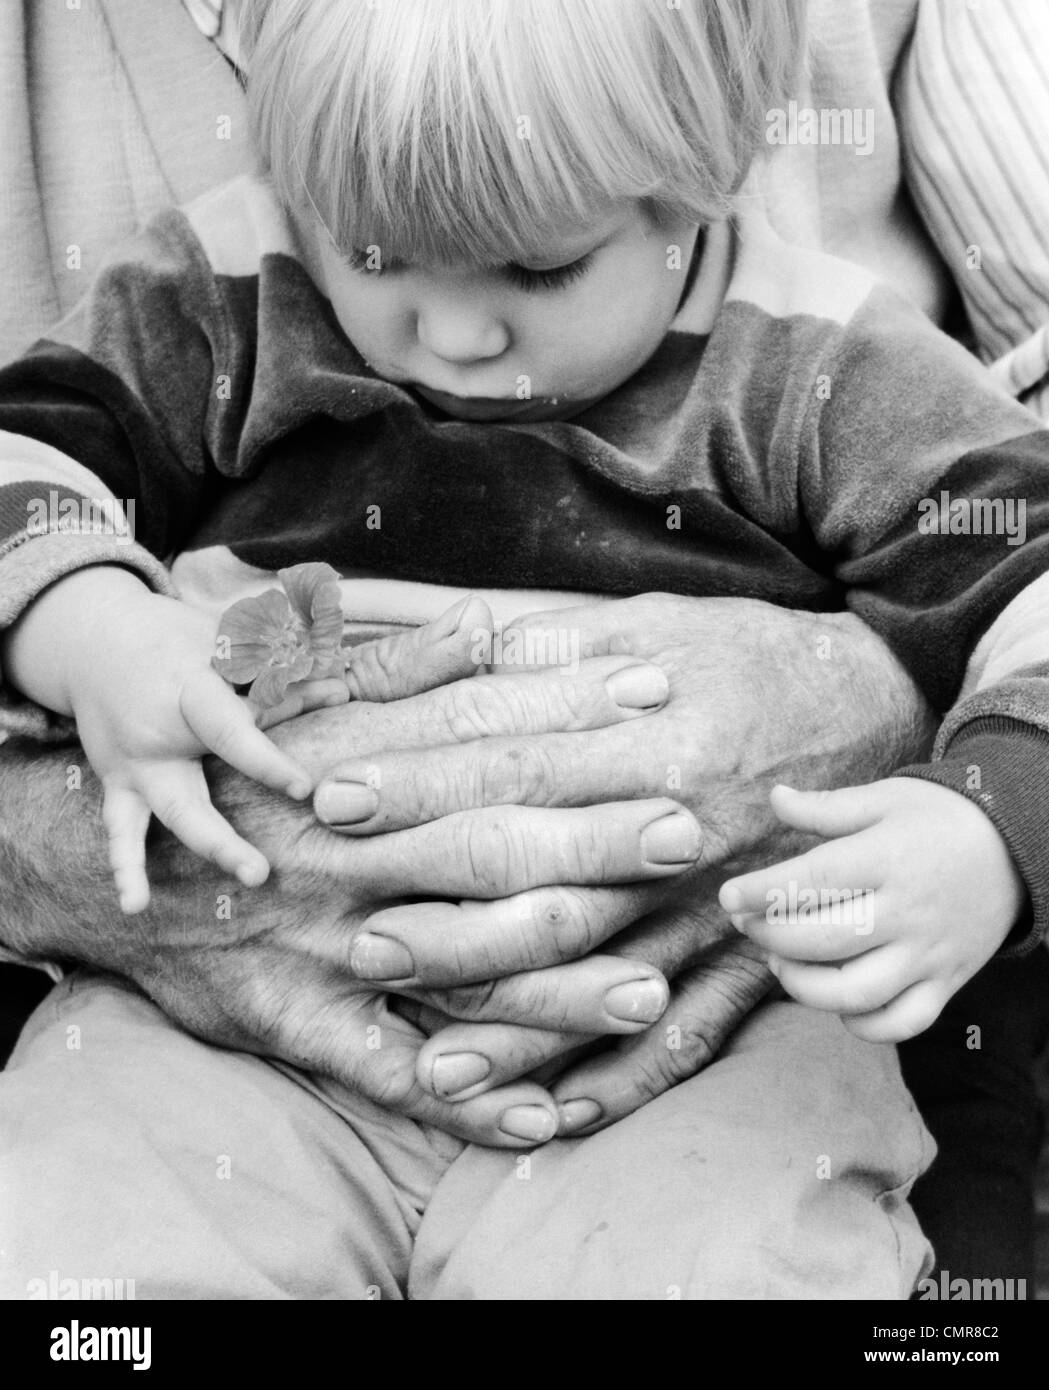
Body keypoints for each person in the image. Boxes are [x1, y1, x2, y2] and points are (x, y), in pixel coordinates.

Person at [0, 0, 1025, 1298]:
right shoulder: (220, 296)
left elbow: (1026, 580)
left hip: (689, 1040)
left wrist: (987, 826)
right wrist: (81, 613)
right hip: (220, 1026)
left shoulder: (817, 365)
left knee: (730, 1266)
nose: (455, 335)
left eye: (536, 272)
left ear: (700, 178)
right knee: (84, 1252)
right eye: (371, 254)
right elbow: (22, 453)